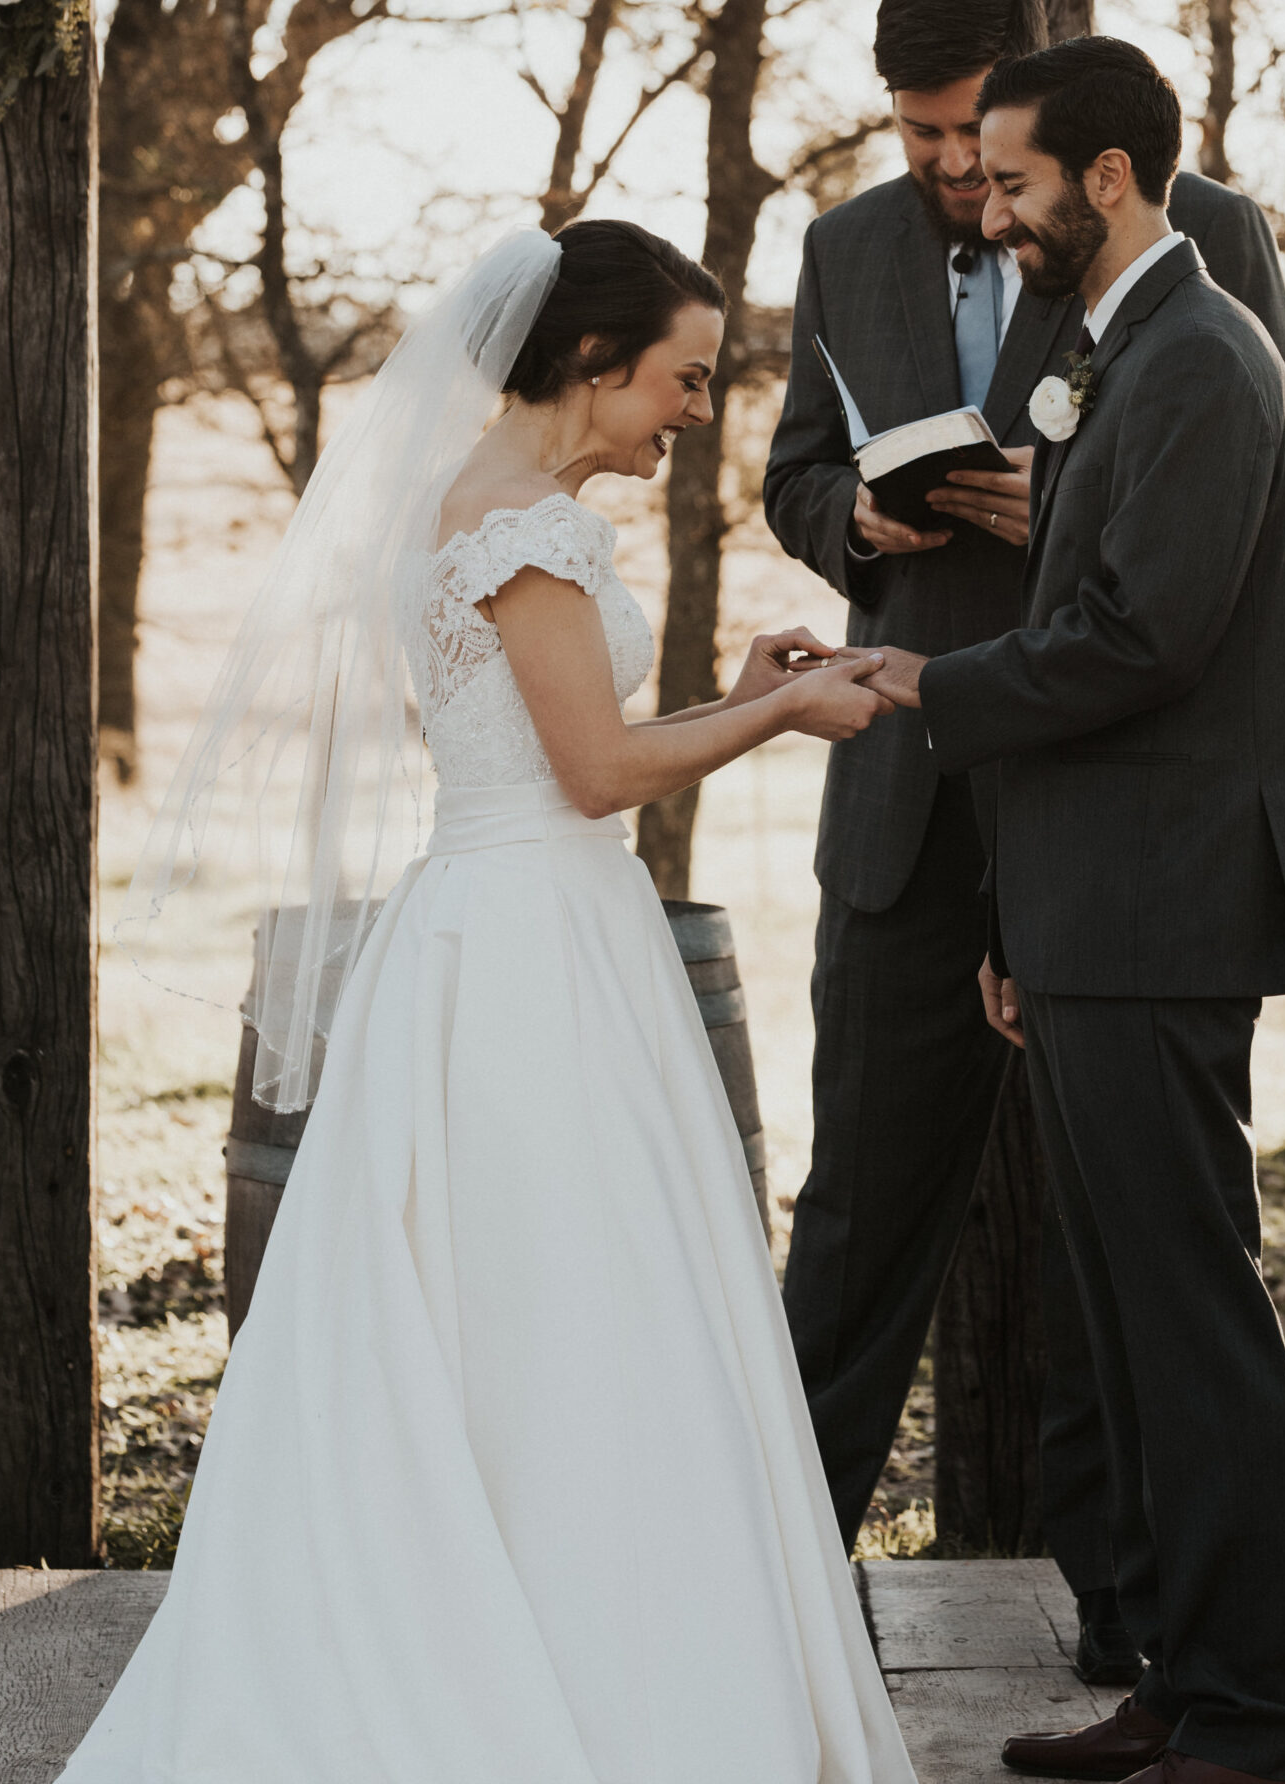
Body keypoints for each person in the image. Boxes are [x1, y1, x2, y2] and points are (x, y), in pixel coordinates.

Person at [61, 220, 917, 1784]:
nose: (694, 410)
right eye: (684, 376)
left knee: (546, 1306)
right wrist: (789, 710)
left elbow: (560, 759)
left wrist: (734, 696)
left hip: (518, 915)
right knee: (569, 1314)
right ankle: (580, 1677)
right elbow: (594, 777)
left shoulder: (490, 512)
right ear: (595, 363)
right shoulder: (525, 527)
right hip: (534, 954)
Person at [764, 0, 1285, 1678]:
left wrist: (1059, 507)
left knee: (1118, 1239)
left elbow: (1272, 480)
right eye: (922, 138)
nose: (950, 174)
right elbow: (793, 471)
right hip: (912, 809)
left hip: (1115, 804)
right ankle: (773, 1589)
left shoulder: (1197, 239)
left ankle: (1139, 1622)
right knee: (856, 1222)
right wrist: (864, 529)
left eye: (974, 141)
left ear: (1046, 110)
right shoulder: (846, 249)